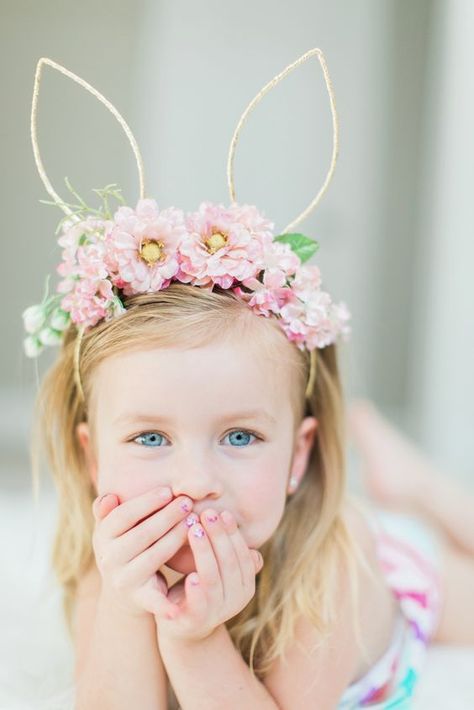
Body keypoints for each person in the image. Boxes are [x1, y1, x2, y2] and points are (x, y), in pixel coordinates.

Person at [22, 50, 473, 710]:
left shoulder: (328, 581)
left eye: (239, 436)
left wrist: (193, 638)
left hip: (405, 575)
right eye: (150, 438)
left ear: (299, 453)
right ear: (94, 458)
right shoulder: (115, 571)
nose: (196, 480)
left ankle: (423, 492)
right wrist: (129, 609)